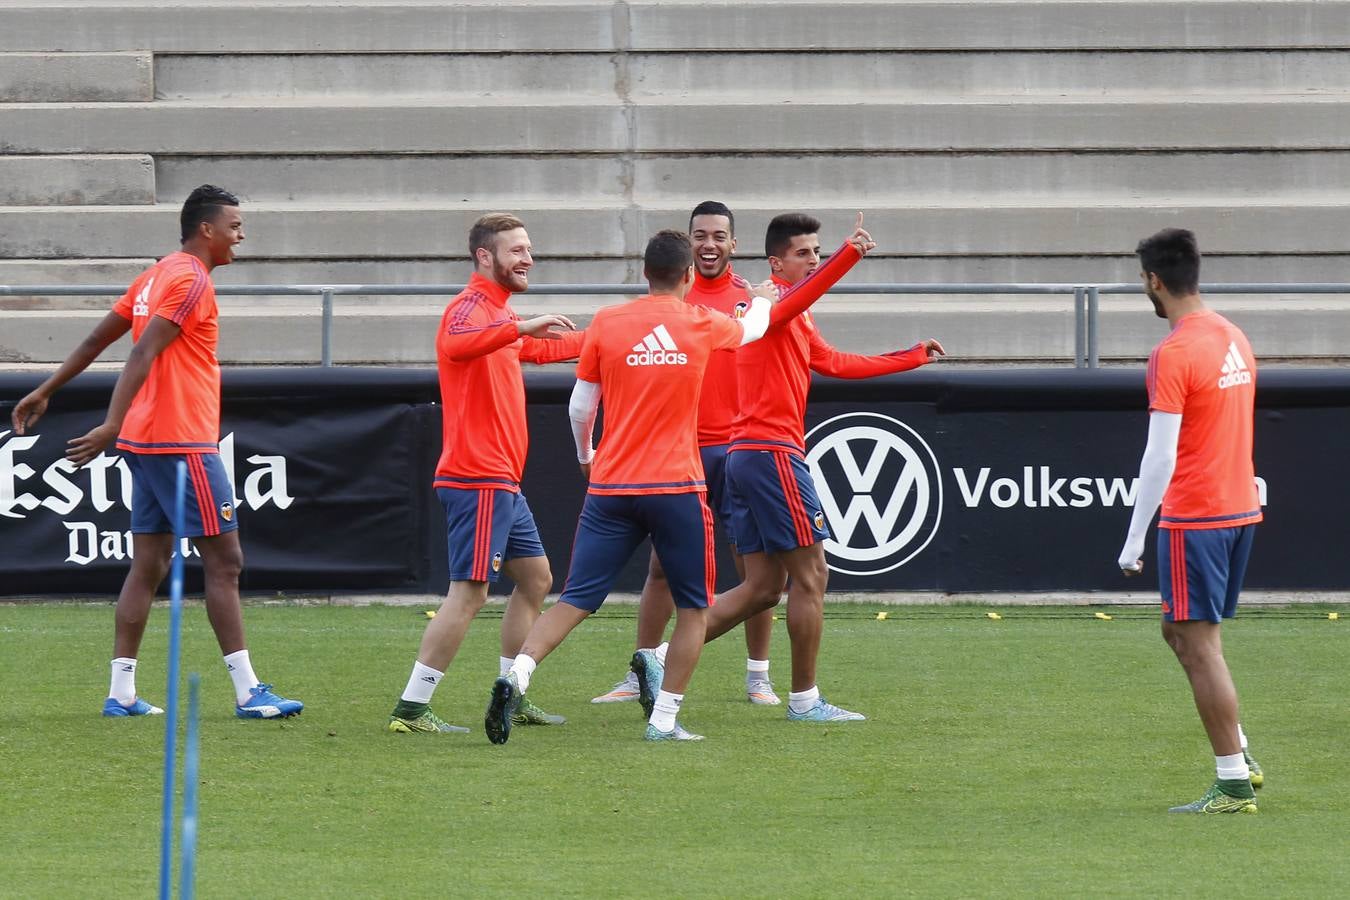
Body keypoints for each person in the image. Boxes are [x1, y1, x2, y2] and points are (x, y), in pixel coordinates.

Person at [485, 221, 873, 744]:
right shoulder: (700, 321)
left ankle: (517, 675)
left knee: (575, 598)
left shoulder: (607, 321)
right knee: (694, 608)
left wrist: (586, 457)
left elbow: (580, 406)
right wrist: (759, 298)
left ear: (645, 274)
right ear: (689, 275)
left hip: (611, 486)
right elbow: (756, 329)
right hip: (676, 487)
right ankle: (664, 721)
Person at [629, 212, 945, 725]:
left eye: (818, 252)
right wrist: (849, 254)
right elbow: (808, 296)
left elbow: (835, 363)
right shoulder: (767, 304)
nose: (814, 260)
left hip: (747, 456)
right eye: (805, 252)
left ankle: (658, 659)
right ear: (776, 262)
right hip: (772, 455)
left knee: (761, 589)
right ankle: (804, 700)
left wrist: (910, 357)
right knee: (812, 576)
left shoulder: (787, 311)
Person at [10, 185, 303, 719]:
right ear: (207, 230)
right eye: (234, 225)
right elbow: (142, 351)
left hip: (147, 443)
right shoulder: (190, 280)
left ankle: (121, 692)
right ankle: (248, 691)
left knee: (148, 561)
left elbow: (97, 341)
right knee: (226, 560)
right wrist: (110, 422)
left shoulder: (156, 273)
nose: (242, 235)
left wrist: (48, 387)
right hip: (181, 440)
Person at [386, 213, 583, 735]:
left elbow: (548, 348)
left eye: (528, 249)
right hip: (477, 478)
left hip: (501, 482)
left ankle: (511, 692)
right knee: (470, 593)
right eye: (516, 250)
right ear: (484, 257)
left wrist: (617, 334)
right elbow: (456, 344)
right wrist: (520, 326)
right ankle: (411, 708)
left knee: (537, 579)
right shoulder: (470, 308)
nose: (527, 258)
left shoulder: (498, 315)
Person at [591, 200, 782, 707]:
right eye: (700, 235)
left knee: (751, 569)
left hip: (738, 449)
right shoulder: (669, 296)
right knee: (661, 569)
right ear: (688, 245)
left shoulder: (753, 298)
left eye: (719, 235)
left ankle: (758, 676)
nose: (709, 244)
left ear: (734, 244)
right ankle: (641, 672)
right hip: (681, 452)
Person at [1118, 227, 1264, 814]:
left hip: (1196, 515)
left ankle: (1232, 780)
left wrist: (1133, 539)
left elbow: (1161, 454)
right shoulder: (1232, 335)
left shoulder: (1174, 352)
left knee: (1199, 644)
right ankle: (1242, 754)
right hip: (1236, 509)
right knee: (1181, 632)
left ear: (1154, 280)